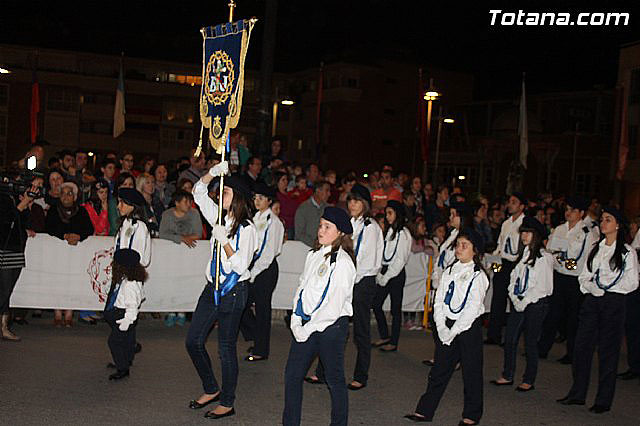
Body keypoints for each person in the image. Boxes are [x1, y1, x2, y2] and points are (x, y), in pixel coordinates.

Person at [185, 161, 257, 420]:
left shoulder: (247, 229)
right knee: (193, 341)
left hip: (234, 291)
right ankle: (211, 388)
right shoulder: (219, 217)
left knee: (225, 348)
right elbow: (198, 193)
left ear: (236, 197)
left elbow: (240, 264)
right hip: (211, 287)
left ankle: (227, 402)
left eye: (225, 191)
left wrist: (224, 240)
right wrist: (212, 173)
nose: (220, 194)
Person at [558, 206, 639, 413]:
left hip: (614, 303)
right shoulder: (596, 247)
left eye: (608, 220)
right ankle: (577, 394)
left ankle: (603, 400)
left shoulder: (627, 253)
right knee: (581, 348)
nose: (603, 223)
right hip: (592, 301)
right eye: (602, 219)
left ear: (618, 225)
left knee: (608, 352)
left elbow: (632, 282)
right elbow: (584, 275)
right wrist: (592, 287)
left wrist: (609, 288)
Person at [405, 229, 489, 425]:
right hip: (447, 325)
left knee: (471, 372)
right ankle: (425, 410)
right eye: (458, 244)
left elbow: (471, 308)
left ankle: (471, 414)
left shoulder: (478, 276)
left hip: (467, 327)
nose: (459, 249)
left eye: (464, 246)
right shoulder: (450, 271)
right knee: (439, 370)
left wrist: (453, 331)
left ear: (475, 251)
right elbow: (440, 299)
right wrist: (442, 327)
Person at [283, 207, 356, 426]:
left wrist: (308, 328)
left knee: (334, 379)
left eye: (327, 227)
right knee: (292, 375)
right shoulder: (314, 254)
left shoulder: (343, 263)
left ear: (340, 233)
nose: (321, 231)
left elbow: (333, 306)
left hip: (331, 328)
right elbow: (302, 287)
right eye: (320, 225)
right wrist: (296, 319)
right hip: (307, 323)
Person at [491, 216, 553, 391]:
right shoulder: (523, 254)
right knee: (510, 339)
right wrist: (514, 296)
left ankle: (529, 379)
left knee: (531, 343)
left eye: (528, 233)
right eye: (523, 232)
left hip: (535, 304)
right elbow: (514, 278)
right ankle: (507, 374)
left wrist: (524, 301)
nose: (524, 236)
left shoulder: (544, 257)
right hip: (519, 302)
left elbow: (545, 288)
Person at [538, 196, 597, 364]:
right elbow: (550, 249)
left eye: (572, 210)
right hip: (559, 274)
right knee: (552, 314)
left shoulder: (587, 233)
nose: (568, 213)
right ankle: (542, 348)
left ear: (581, 213)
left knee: (573, 318)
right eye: (567, 210)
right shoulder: (559, 229)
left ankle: (572, 353)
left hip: (575, 279)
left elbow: (588, 257)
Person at [423, 201, 474, 366]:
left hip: (453, 284)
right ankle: (443, 354)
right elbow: (442, 258)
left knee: (450, 320)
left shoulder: (465, 237)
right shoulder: (452, 234)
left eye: (454, 214)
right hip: (442, 281)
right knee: (437, 319)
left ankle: (451, 357)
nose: (450, 217)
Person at [241, 183, 285, 361]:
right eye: (255, 198)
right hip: (253, 267)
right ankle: (256, 337)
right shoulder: (256, 218)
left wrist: (253, 273)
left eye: (261, 198)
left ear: (269, 201)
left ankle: (261, 350)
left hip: (265, 270)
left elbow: (269, 253)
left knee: (262, 309)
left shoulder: (273, 222)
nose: (256, 201)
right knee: (243, 305)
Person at [345, 184, 383, 389]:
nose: (352, 204)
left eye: (357, 200)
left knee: (361, 330)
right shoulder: (350, 224)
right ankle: (323, 371)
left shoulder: (370, 227)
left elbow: (366, 261)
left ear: (365, 204)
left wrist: (349, 281)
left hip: (362, 282)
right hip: (349, 279)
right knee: (336, 326)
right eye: (350, 200)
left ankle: (361, 375)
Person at [45, 181, 95, 327]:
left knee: (72, 282)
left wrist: (79, 236)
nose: (66, 197)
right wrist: (65, 235)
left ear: (75, 196)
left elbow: (88, 229)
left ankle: (69, 314)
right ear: (59, 196)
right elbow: (48, 227)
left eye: (69, 194)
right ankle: (57, 313)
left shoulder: (82, 211)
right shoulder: (53, 211)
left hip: (76, 255)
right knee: (58, 282)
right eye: (63, 194)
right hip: (57, 255)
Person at [0, 177, 43, 341]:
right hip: (4, 250)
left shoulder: (22, 201)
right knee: (3, 291)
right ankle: (4, 327)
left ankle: (4, 327)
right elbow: (6, 221)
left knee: (8, 291)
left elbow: (26, 222)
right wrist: (23, 203)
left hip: (17, 251)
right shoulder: (3, 199)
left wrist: (28, 204)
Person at [486, 192, 527, 345]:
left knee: (514, 299)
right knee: (498, 297)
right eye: (510, 201)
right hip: (502, 262)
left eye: (514, 202)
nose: (510, 204)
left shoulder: (524, 223)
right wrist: (493, 259)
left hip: (515, 263)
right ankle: (494, 334)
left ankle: (511, 338)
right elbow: (500, 245)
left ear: (522, 206)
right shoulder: (506, 223)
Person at [371, 200, 412, 352]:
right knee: (376, 304)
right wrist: (380, 272)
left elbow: (400, 260)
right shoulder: (390, 231)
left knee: (396, 309)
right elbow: (385, 254)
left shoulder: (403, 234)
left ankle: (394, 341)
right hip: (386, 269)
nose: (387, 216)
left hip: (396, 273)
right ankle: (385, 336)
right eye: (386, 213)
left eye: (390, 213)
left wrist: (386, 276)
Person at [159, 190, 203, 327]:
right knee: (171, 280)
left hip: (189, 254)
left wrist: (184, 239)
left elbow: (198, 233)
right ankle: (171, 311)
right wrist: (181, 238)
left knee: (186, 280)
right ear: (177, 203)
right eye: (185, 201)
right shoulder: (167, 215)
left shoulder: (194, 214)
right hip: (170, 255)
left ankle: (183, 311)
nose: (189, 204)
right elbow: (162, 233)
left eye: (190, 201)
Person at [103, 247, 147, 381]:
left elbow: (133, 305)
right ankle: (126, 359)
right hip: (120, 313)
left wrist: (128, 320)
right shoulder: (124, 279)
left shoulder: (130, 284)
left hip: (124, 316)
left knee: (114, 342)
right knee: (127, 339)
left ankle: (122, 368)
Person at [619, 215, 640, 380]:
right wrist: (562, 262)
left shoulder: (586, 232)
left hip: (573, 274)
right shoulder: (561, 230)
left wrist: (570, 265)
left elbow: (579, 261)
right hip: (567, 275)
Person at [294, 181, 330, 247]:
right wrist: (315, 244)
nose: (329, 194)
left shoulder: (328, 208)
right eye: (327, 191)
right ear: (318, 191)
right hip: (304, 248)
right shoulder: (303, 208)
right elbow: (299, 233)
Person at [274, 172, 298, 240]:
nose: (286, 182)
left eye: (286, 180)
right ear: (277, 181)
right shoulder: (277, 196)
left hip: (293, 224)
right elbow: (287, 211)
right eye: (283, 180)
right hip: (284, 226)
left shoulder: (290, 194)